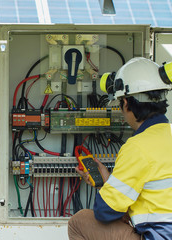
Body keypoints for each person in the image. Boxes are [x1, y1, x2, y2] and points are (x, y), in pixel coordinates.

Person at [68, 57, 172, 240]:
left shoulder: (138, 147)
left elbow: (104, 212)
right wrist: (109, 181)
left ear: (125, 103)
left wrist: (104, 185)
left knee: (79, 222)